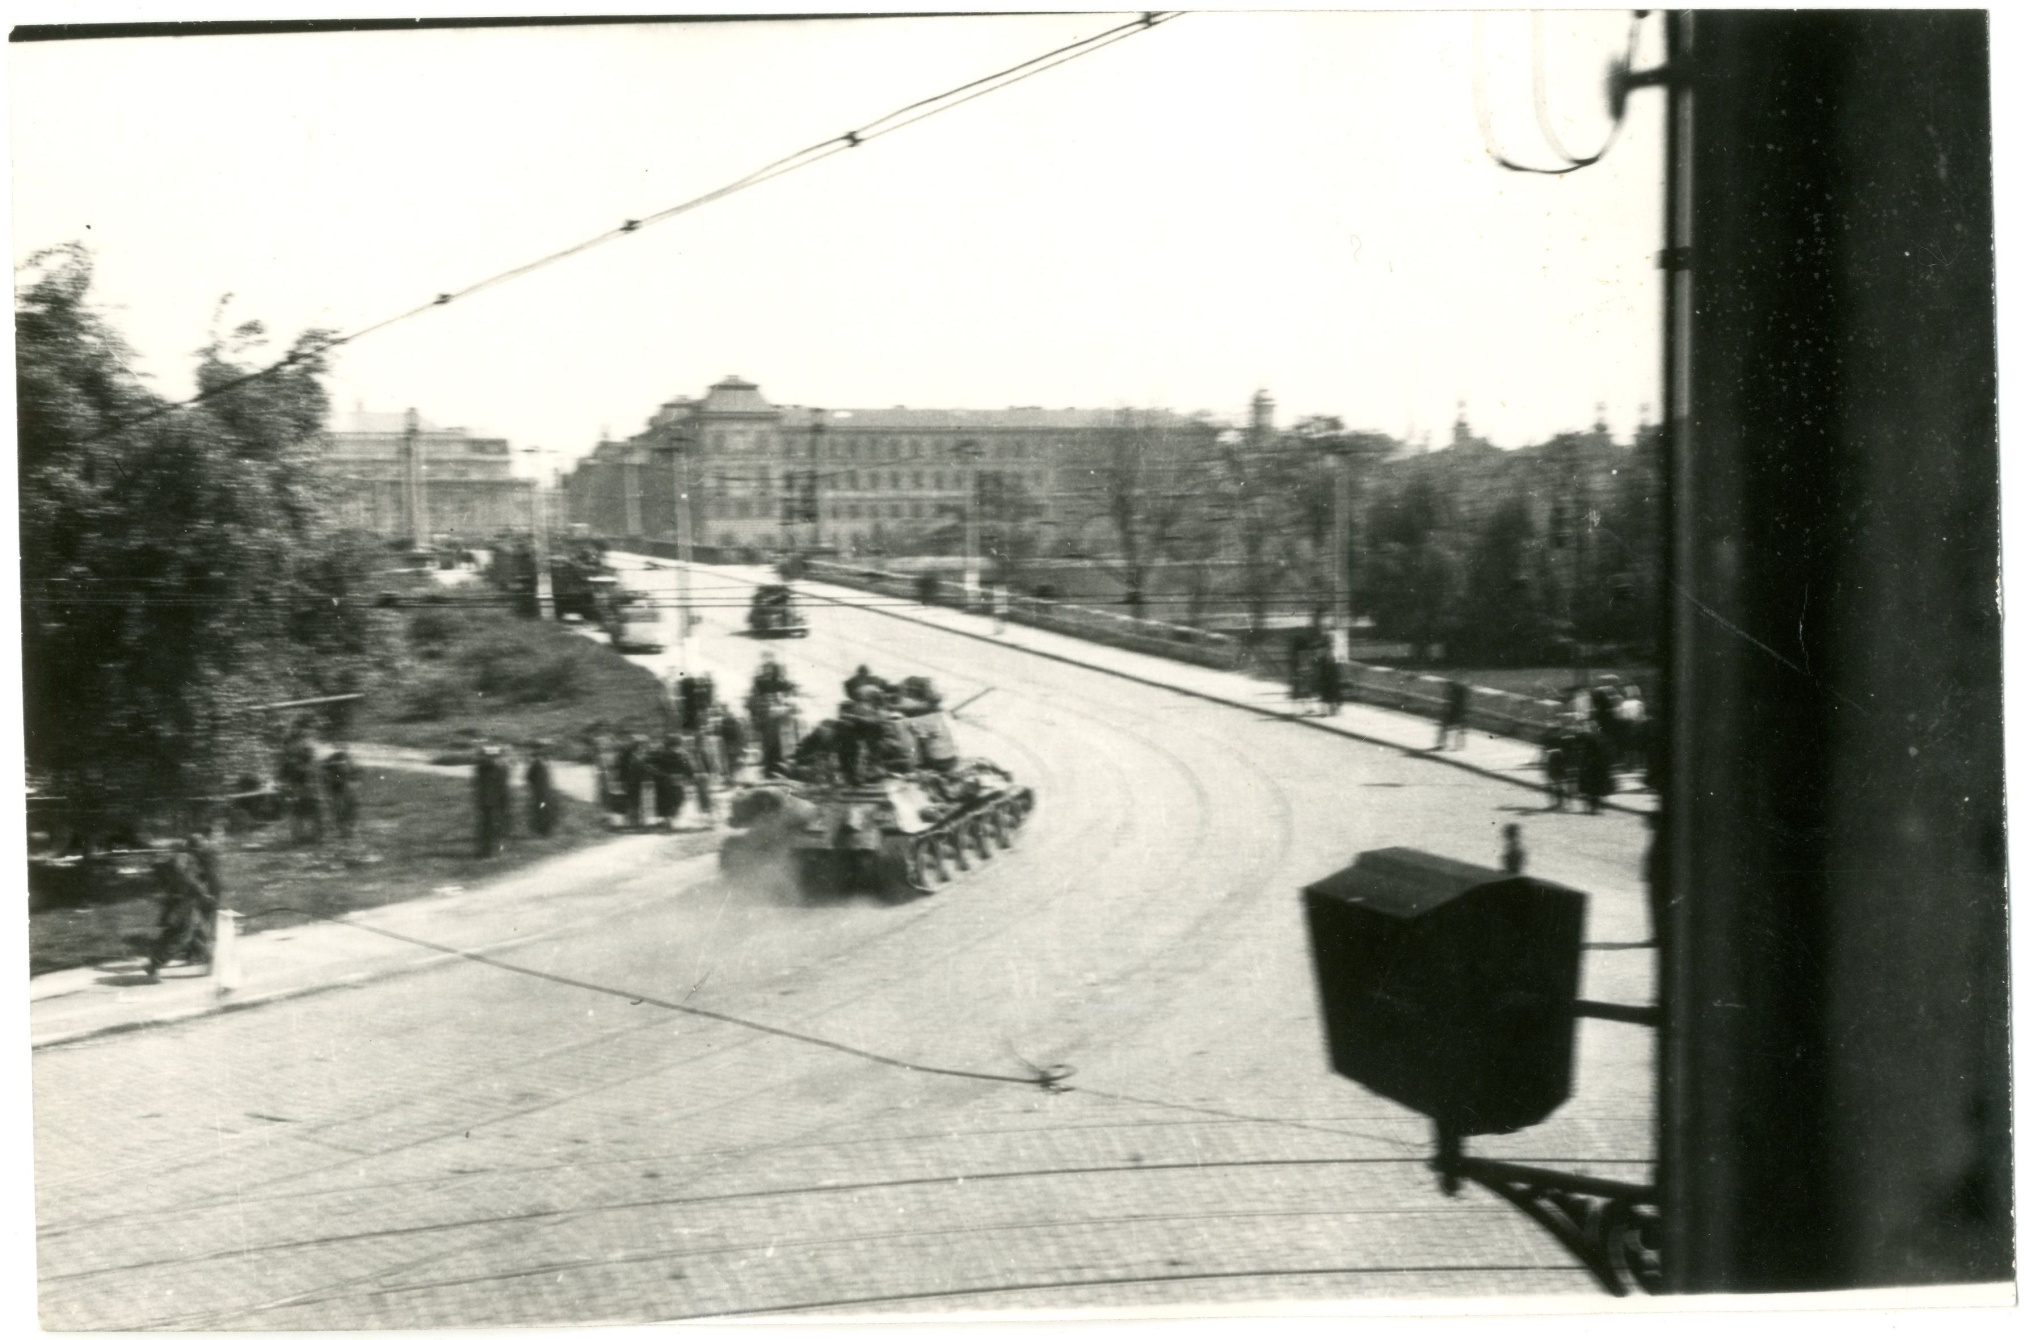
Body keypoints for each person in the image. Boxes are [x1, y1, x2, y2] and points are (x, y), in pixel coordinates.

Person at [145, 832, 219, 981]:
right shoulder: (186, 858)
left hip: (184, 901)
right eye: (200, 846)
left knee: (200, 932)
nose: (202, 849)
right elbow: (189, 880)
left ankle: (211, 961)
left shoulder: (181, 857)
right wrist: (203, 894)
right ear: (195, 847)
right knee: (183, 937)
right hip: (183, 903)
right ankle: (154, 965)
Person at [474, 745, 511, 856]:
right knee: (493, 825)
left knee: (488, 826)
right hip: (496, 800)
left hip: (488, 801)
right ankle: (492, 849)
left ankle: (488, 850)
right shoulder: (500, 768)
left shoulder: (483, 767)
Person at [323, 748, 360, 839]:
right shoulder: (333, 764)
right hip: (336, 788)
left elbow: (355, 774)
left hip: (343, 788)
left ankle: (348, 829)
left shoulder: (347, 762)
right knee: (339, 809)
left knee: (347, 808)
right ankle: (343, 829)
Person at [526, 740, 558, 837]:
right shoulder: (535, 764)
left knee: (546, 809)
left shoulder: (545, 763)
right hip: (540, 792)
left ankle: (546, 830)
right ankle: (542, 831)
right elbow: (529, 777)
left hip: (546, 791)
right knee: (541, 809)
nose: (542, 755)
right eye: (540, 753)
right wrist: (535, 786)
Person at [618, 735, 648, 829]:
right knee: (635, 800)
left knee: (633, 800)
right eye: (640, 744)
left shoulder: (627, 753)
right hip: (632, 780)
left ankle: (633, 820)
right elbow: (624, 768)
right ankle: (634, 821)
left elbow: (622, 769)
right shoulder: (632, 754)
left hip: (631, 780)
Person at [1435, 678, 1471, 750]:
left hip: (1454, 709)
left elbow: (1448, 699)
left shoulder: (1454, 690)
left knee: (1446, 726)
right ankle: (1459, 745)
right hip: (1459, 709)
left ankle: (1442, 743)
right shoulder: (1462, 691)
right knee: (1460, 727)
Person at [1316, 653, 1344, 717]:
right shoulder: (1333, 666)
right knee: (1332, 698)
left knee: (1326, 699)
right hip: (1332, 684)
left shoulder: (1324, 667)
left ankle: (1326, 712)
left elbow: (1322, 677)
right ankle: (1331, 712)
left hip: (1327, 685)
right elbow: (1337, 676)